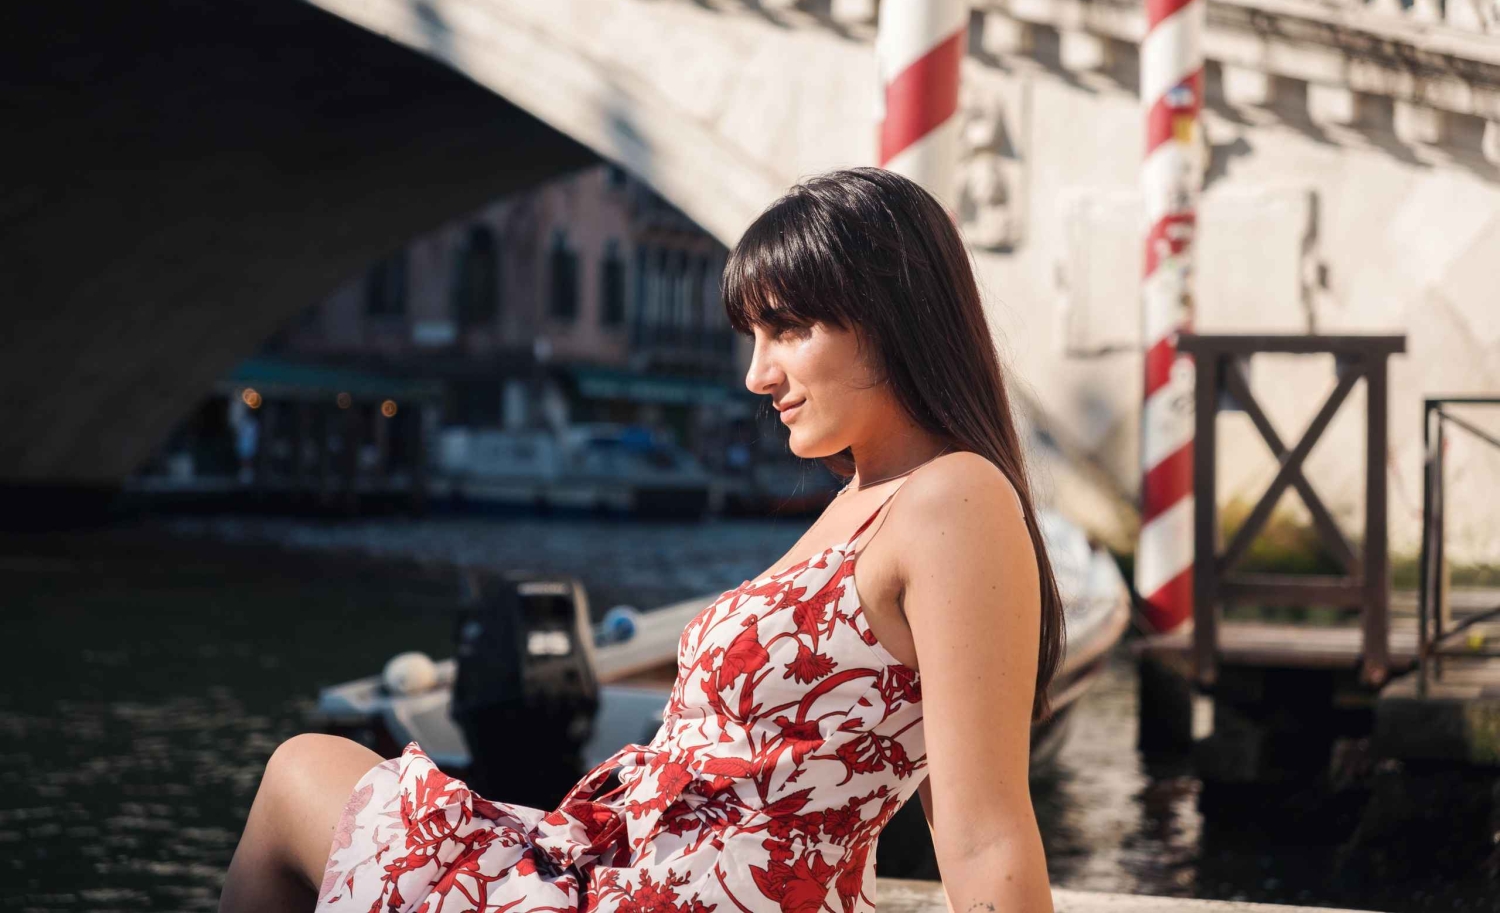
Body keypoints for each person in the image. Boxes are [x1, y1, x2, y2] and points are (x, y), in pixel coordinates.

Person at [218, 167, 1065, 913]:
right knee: (305, 770)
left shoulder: (952, 496)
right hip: (618, 872)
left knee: (302, 774)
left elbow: (981, 826)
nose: (757, 375)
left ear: (894, 317)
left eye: (789, 330)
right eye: (755, 336)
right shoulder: (868, 498)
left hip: (681, 897)